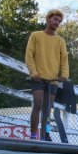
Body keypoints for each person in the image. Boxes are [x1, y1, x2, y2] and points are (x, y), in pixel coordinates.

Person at [25, 9, 69, 141]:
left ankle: (45, 135)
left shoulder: (60, 41)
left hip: (53, 80)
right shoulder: (36, 35)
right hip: (38, 78)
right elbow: (29, 55)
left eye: (60, 21)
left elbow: (64, 59)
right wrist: (33, 72)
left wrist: (64, 74)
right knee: (38, 104)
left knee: (47, 109)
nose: (57, 22)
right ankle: (33, 135)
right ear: (48, 19)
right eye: (55, 19)